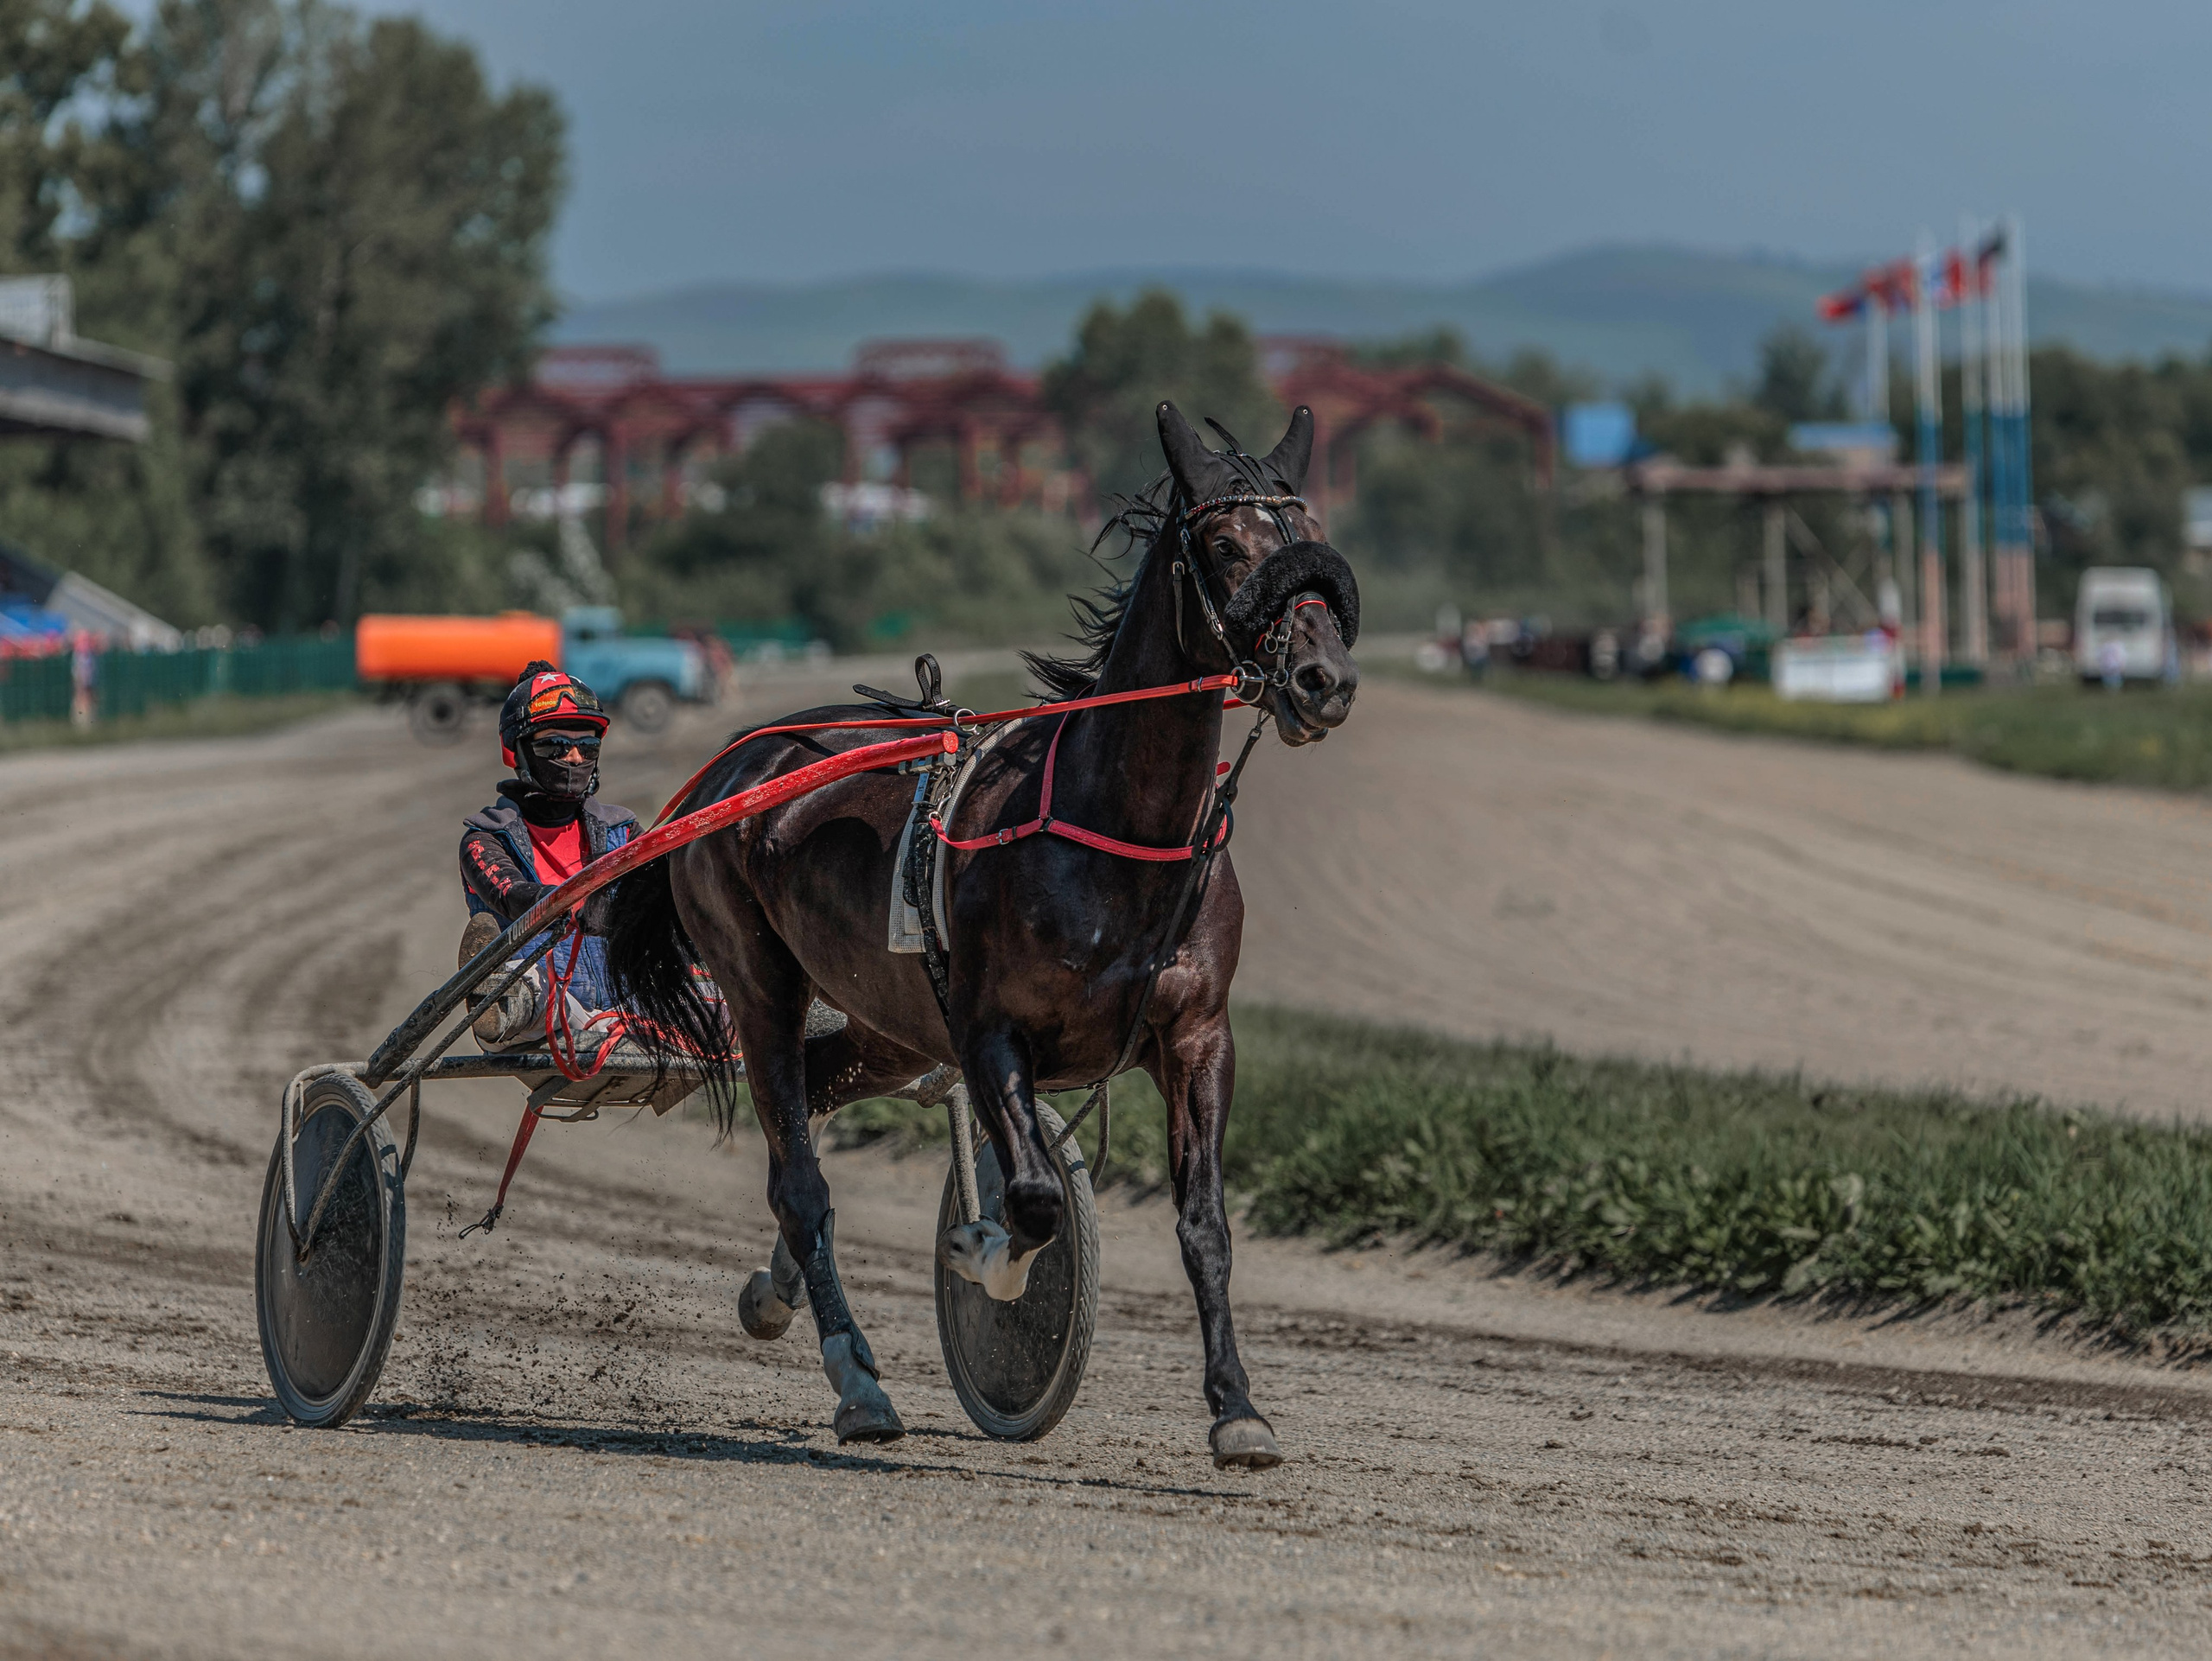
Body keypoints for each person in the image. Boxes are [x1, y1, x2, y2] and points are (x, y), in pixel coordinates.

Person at [458, 662, 637, 1049]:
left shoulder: (623, 831)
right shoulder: (484, 837)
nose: (573, 757)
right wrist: (575, 906)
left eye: (586, 746)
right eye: (554, 745)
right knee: (529, 990)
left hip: (628, 1003)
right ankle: (495, 1002)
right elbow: (512, 895)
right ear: (516, 750)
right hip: (540, 1007)